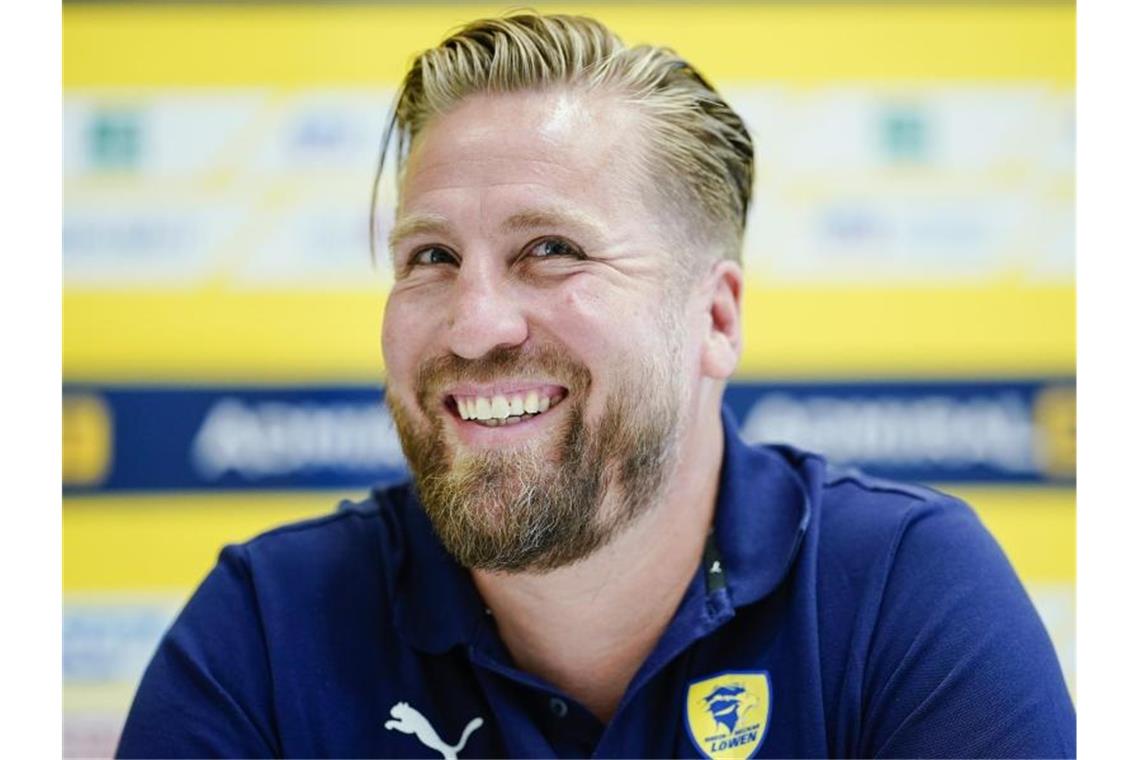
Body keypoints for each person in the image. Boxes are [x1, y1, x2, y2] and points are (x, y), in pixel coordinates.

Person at [117, 13, 1075, 759]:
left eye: (551, 250)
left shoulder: (899, 592)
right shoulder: (269, 628)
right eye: (432, 256)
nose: (475, 321)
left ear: (716, 319)